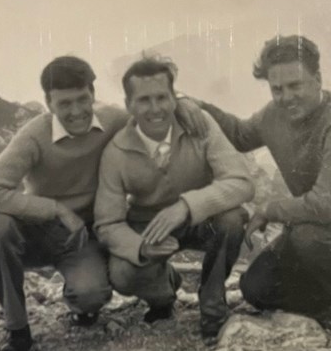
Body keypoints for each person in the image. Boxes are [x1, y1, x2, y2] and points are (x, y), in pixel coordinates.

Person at [0, 56, 206, 351]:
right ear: (48, 103)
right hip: (42, 230)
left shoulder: (112, 120)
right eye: (64, 104)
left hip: (86, 235)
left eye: (82, 100)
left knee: (91, 295)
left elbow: (150, 110)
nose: (77, 111)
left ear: (93, 95)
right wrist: (55, 209)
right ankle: (17, 328)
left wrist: (184, 102)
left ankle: (151, 285)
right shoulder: (33, 136)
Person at [193, 35, 331, 334]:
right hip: (314, 224)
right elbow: (240, 135)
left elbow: (326, 206)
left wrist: (269, 209)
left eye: (295, 85)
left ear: (317, 79)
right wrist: (200, 106)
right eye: (277, 89)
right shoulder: (274, 114)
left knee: (308, 239)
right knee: (256, 288)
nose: (286, 96)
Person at [93, 56, 254, 341]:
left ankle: (213, 303)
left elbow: (241, 182)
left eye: (162, 97)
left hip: (201, 219)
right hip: (149, 227)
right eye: (144, 100)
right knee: (122, 273)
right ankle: (163, 294)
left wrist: (187, 206)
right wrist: (139, 248)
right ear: (129, 104)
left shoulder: (200, 125)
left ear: (174, 98)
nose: (155, 109)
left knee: (231, 219)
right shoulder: (116, 152)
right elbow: (107, 223)